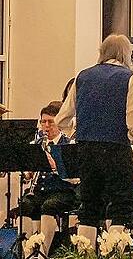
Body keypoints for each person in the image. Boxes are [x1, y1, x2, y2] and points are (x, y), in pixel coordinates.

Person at [55, 34, 133, 247]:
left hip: (86, 149)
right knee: (121, 204)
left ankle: (85, 253)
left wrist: (79, 130)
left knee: (89, 205)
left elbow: (62, 118)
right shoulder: (131, 78)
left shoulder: (82, 76)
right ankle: (113, 251)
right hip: (115, 148)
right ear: (125, 54)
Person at [19, 102, 77, 256]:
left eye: (50, 122)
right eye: (43, 122)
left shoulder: (69, 145)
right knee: (25, 204)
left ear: (59, 123)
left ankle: (43, 252)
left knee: (48, 206)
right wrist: (27, 173)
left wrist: (56, 167)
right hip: (40, 191)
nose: (46, 126)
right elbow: (26, 175)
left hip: (62, 191)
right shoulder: (36, 145)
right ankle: (28, 252)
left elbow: (76, 179)